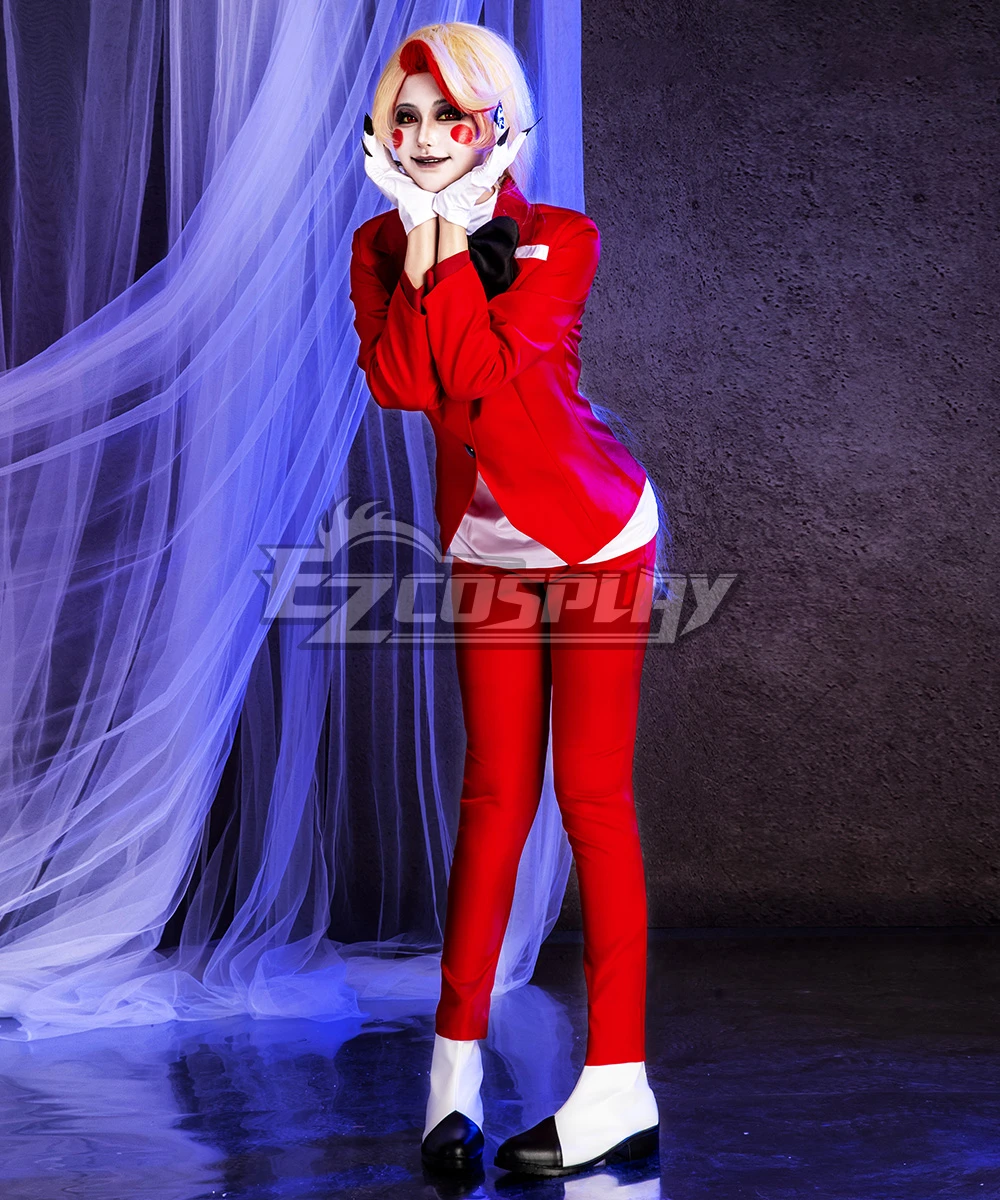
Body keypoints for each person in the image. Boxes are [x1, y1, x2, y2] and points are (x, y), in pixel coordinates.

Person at [349, 21, 661, 1179]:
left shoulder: (561, 239)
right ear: (382, 135)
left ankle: (618, 1085)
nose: (427, 134)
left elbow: (479, 375)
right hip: (485, 546)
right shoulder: (377, 243)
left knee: (590, 798)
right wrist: (424, 234)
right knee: (491, 799)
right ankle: (452, 1074)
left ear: (497, 125)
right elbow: (398, 383)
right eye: (406, 116)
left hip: (592, 537)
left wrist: (442, 237)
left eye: (451, 113)